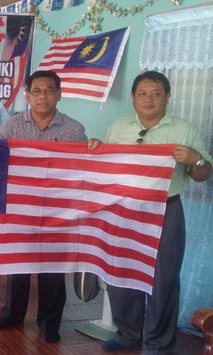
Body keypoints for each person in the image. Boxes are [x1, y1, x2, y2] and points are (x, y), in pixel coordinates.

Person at [88, 71, 212, 354]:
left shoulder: (184, 130)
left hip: (166, 211)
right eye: (142, 93)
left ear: (167, 97)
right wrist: (96, 149)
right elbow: (106, 168)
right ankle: (128, 334)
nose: (149, 99)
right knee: (120, 272)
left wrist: (197, 158)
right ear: (133, 99)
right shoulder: (117, 127)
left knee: (164, 278)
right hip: (123, 210)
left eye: (156, 93)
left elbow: (203, 174)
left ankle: (158, 343)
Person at [0, 69, 87, 343]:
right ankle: (13, 314)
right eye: (37, 91)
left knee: (52, 268)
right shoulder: (13, 126)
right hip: (22, 207)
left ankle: (49, 322)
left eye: (49, 90)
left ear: (59, 94)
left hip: (58, 209)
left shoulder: (74, 129)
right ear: (28, 95)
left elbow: (83, 167)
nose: (43, 96)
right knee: (17, 264)